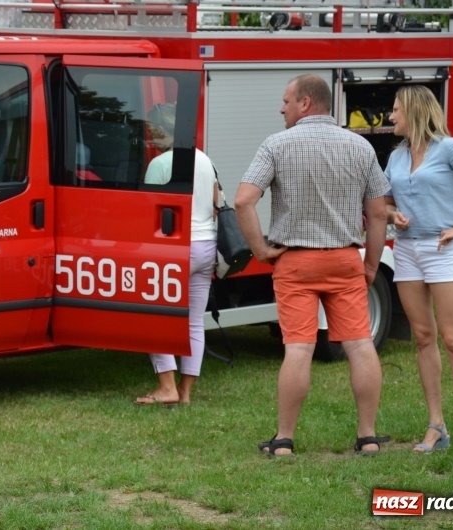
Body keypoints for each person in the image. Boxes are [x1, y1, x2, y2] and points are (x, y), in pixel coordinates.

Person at [234, 74, 390, 456]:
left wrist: (260, 250)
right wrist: (370, 266)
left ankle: (284, 440)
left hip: (295, 261)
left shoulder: (276, 145)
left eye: (286, 100)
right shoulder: (360, 146)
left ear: (305, 103)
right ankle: (367, 437)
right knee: (359, 346)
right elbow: (379, 213)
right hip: (344, 259)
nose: (281, 107)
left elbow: (242, 201)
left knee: (299, 349)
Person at [384, 85, 453, 457]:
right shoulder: (397, 156)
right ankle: (436, 425)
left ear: (415, 111)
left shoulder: (449, 148)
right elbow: (385, 200)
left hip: (443, 248)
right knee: (421, 336)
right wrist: (391, 214)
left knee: (452, 339)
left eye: (396, 110)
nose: (391, 116)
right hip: (406, 250)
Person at [133, 103, 218, 406]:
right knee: (194, 321)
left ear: (163, 130)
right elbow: (216, 200)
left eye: (153, 130)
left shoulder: (160, 164)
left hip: (176, 249)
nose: (150, 137)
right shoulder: (205, 160)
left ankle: (166, 387)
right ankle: (185, 393)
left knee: (155, 315)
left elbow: (148, 211)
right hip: (206, 246)